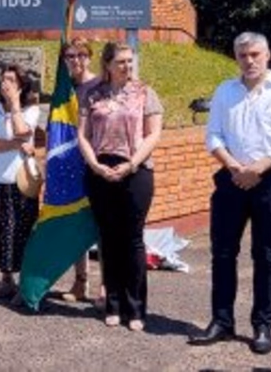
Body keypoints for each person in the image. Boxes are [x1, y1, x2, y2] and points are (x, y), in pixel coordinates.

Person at [189, 32, 271, 356]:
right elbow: (213, 136)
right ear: (236, 57)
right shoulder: (225, 91)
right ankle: (222, 322)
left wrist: (256, 170)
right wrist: (235, 167)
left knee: (266, 256)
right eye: (243, 55)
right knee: (223, 254)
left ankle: (263, 325)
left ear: (267, 55)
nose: (249, 61)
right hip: (231, 179)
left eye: (254, 54)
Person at [77, 42, 162, 331]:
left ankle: (135, 308)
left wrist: (132, 164)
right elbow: (83, 135)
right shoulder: (92, 94)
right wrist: (94, 165)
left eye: (130, 61)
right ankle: (112, 304)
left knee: (133, 239)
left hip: (135, 170)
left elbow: (153, 134)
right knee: (109, 238)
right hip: (100, 171)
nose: (127, 66)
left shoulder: (145, 93)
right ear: (108, 65)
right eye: (121, 62)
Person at [0, 64, 40, 302]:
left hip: (21, 182)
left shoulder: (31, 110)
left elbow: (22, 131)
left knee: (22, 232)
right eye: (3, 79)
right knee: (0, 231)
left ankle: (26, 285)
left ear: (21, 85)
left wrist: (15, 104)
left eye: (12, 80)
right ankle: (7, 282)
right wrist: (15, 144)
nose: (5, 84)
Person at [58, 37, 103, 304]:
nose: (76, 60)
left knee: (100, 226)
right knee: (76, 224)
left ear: (89, 57)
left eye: (81, 55)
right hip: (71, 165)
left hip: (96, 162)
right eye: (71, 56)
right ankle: (80, 282)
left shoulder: (99, 85)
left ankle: (105, 287)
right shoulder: (64, 89)